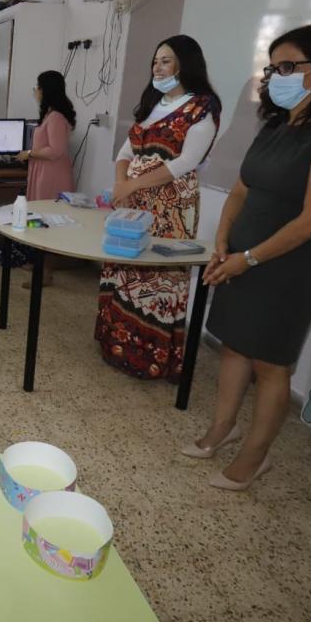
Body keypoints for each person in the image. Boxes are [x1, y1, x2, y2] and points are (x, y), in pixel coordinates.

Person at [187, 24, 311, 491]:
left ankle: (255, 457)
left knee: (271, 363)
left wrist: (248, 259)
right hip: (240, 256)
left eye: (289, 66)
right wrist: (223, 242)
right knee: (234, 345)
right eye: (273, 68)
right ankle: (222, 428)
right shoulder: (275, 127)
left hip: (286, 266)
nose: (277, 77)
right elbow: (241, 190)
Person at [95, 36, 222, 378]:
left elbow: (185, 162)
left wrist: (132, 185)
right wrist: (121, 186)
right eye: (155, 61)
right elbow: (125, 153)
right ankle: (115, 346)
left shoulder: (202, 108)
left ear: (186, 63)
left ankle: (148, 359)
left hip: (170, 208)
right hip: (132, 201)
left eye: (166, 61)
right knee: (124, 270)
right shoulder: (153, 103)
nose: (158, 67)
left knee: (156, 279)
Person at [15, 70, 77, 287]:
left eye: (38, 87)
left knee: (47, 222)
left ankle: (46, 272)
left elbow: (56, 150)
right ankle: (39, 262)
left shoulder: (56, 117)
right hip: (43, 171)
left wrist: (29, 153)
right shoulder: (50, 115)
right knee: (38, 218)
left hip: (52, 175)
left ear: (46, 90)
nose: (36, 91)